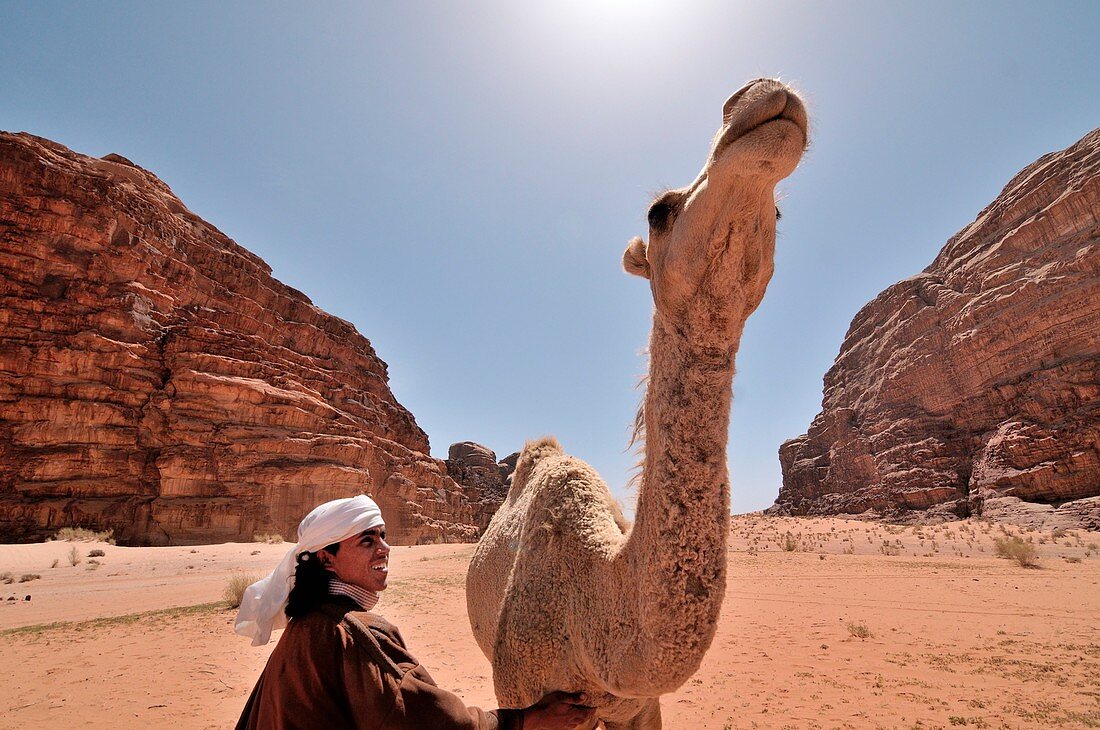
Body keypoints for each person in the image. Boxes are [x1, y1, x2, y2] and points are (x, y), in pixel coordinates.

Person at [234, 494, 594, 729]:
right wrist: (527, 719)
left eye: (383, 536)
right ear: (326, 557)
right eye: (367, 540)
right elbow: (426, 719)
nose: (384, 549)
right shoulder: (353, 632)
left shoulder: (306, 623)